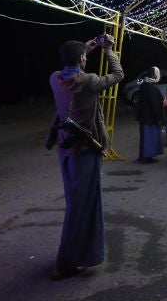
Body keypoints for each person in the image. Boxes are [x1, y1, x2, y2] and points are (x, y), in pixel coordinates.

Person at [48, 34, 123, 281]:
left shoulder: (55, 78)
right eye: (83, 55)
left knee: (77, 203)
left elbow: (71, 68)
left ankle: (79, 254)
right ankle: (64, 263)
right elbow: (118, 75)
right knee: (82, 207)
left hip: (66, 149)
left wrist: (86, 50)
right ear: (81, 58)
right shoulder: (89, 81)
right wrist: (109, 50)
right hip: (86, 151)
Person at [132, 66, 164, 164]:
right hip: (150, 118)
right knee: (150, 138)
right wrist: (160, 118)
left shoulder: (144, 85)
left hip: (143, 116)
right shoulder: (152, 88)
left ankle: (144, 156)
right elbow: (155, 105)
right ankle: (146, 157)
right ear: (155, 75)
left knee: (144, 138)